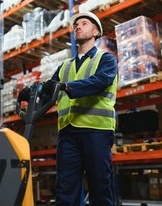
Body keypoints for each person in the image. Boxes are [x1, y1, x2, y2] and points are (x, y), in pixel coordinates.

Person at [43, 11, 118, 205]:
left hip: (96, 130)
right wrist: (32, 92)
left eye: (84, 23)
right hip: (68, 133)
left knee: (100, 186)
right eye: (76, 25)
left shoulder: (106, 60)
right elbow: (50, 90)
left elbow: (99, 81)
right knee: (65, 188)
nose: (78, 26)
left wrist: (69, 87)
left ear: (95, 31)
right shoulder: (64, 66)